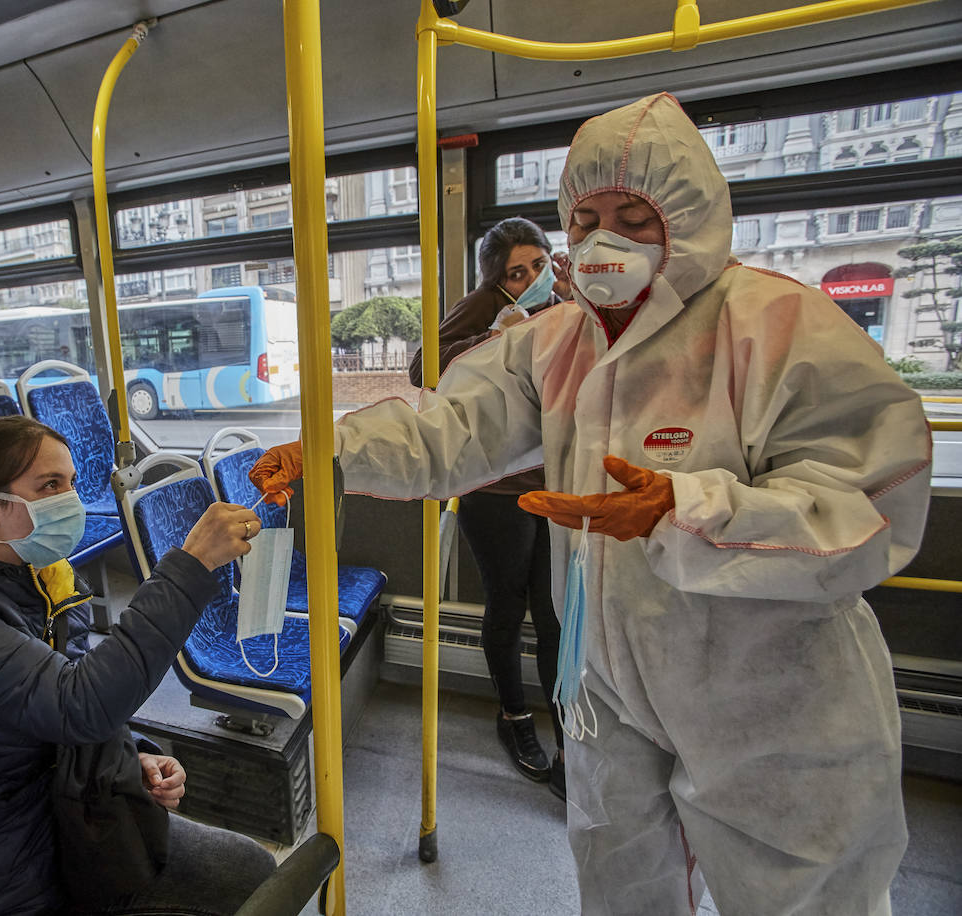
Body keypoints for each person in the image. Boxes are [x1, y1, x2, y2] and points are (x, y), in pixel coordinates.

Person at [250, 93, 930, 914]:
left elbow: (867, 505)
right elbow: (451, 429)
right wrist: (333, 451)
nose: (604, 239)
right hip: (609, 681)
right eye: (587, 217)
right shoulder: (558, 341)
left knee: (803, 894)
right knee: (619, 883)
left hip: (771, 695)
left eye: (635, 215)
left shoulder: (779, 327)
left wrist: (686, 509)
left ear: (691, 216)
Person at [0, 415, 275, 915]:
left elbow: (55, 692)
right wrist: (189, 568)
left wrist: (128, 756)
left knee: (249, 871)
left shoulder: (34, 575)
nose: (69, 501)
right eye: (49, 486)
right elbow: (79, 704)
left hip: (48, 810)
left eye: (71, 483)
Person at [408, 217, 570, 797]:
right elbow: (423, 367)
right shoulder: (488, 305)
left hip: (556, 482)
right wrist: (492, 336)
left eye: (537, 263)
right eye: (515, 272)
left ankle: (566, 735)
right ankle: (514, 716)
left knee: (556, 611)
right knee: (508, 603)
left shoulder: (574, 296)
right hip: (494, 488)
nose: (530, 278)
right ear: (499, 280)